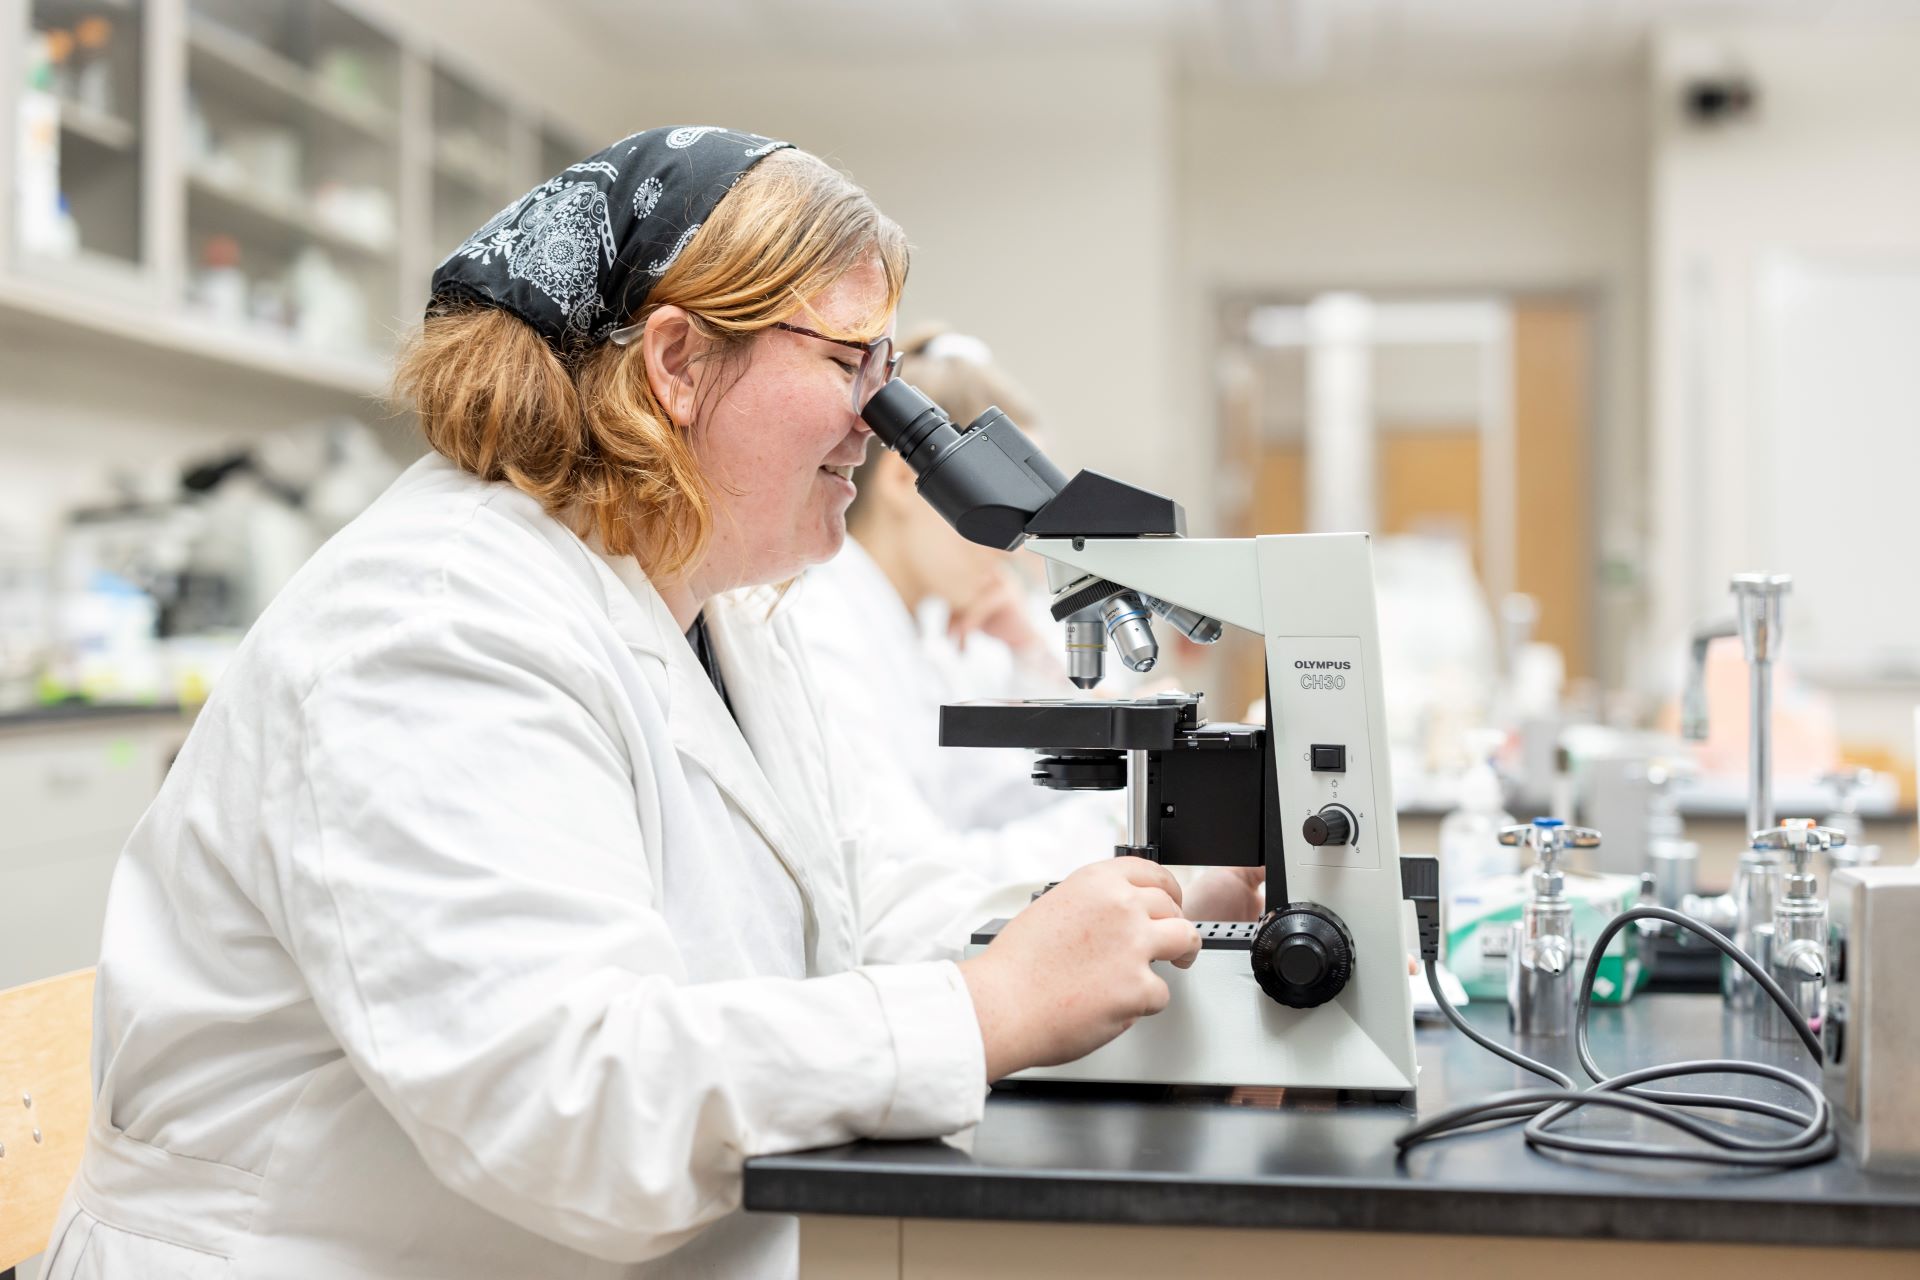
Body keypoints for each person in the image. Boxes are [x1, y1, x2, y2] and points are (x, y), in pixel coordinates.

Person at [43, 128, 1226, 1280]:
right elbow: (572, 1109)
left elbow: (855, 908)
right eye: (847, 361)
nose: (883, 422)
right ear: (677, 362)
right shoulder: (434, 622)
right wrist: (985, 1008)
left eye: (889, 373)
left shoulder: (714, 610)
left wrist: (1165, 900)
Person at [791, 330, 1183, 951]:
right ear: (904, 480)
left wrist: (1029, 647)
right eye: (1011, 514)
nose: (1021, 547)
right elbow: (918, 876)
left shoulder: (933, 631)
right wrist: (1138, 816)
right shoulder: (821, 628)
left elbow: (1002, 796)